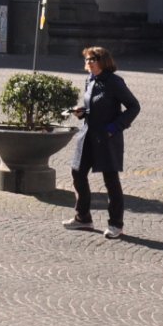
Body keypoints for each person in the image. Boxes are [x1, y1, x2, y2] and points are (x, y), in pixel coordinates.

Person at [65, 46, 141, 239]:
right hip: (88, 134)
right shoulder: (89, 80)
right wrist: (82, 111)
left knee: (111, 180)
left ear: (102, 61)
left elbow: (134, 106)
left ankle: (116, 224)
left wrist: (115, 128)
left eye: (91, 60)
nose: (87, 63)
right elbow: (93, 106)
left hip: (107, 137)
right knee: (77, 172)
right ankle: (83, 218)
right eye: (87, 60)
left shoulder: (115, 82)